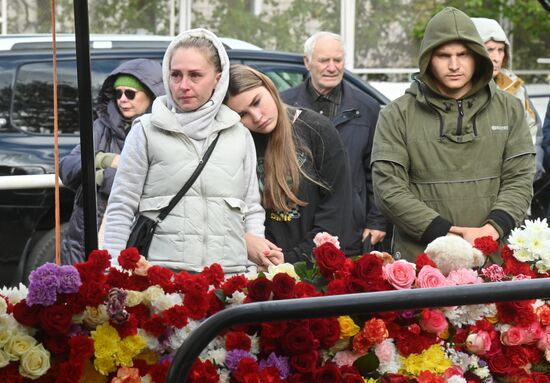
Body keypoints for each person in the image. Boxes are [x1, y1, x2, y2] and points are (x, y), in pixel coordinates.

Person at [102, 29, 277, 274]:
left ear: (218, 78)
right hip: (160, 283)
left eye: (195, 75)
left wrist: (249, 273)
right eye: (175, 75)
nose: (183, 85)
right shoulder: (145, 131)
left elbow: (251, 209)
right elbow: (121, 207)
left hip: (229, 283)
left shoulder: (239, 134)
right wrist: (113, 272)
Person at [371, 7, 535, 261]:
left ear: (477, 56)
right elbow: (389, 189)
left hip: (494, 256)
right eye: (443, 55)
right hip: (423, 260)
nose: (454, 65)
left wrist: (490, 231)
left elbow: (520, 177)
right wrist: (448, 234)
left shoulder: (510, 109)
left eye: (463, 54)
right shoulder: (396, 114)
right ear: (428, 59)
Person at [225, 64, 352, 264]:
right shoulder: (235, 144)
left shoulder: (316, 129)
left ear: (269, 86)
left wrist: (292, 260)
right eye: (242, 115)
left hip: (311, 268)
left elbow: (336, 210)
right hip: (254, 267)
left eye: (257, 102)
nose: (257, 117)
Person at [281, 31, 386, 256]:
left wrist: (377, 221)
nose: (332, 67)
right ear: (307, 62)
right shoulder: (283, 106)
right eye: (324, 60)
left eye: (337, 60)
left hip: (351, 230)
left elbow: (377, 170)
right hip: (298, 228)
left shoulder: (367, 108)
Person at [59, 59, 164, 264]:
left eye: (130, 93)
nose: (123, 99)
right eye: (118, 93)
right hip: (84, 238)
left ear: (151, 95)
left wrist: (100, 176)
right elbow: (66, 167)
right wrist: (103, 159)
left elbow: (152, 183)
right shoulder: (101, 126)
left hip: (136, 242)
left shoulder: (161, 132)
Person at [471, 17, 544, 181]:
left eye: (501, 50)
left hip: (516, 190)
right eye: (489, 49)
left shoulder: (516, 88)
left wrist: (528, 174)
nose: (496, 57)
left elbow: (534, 135)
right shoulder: (456, 90)